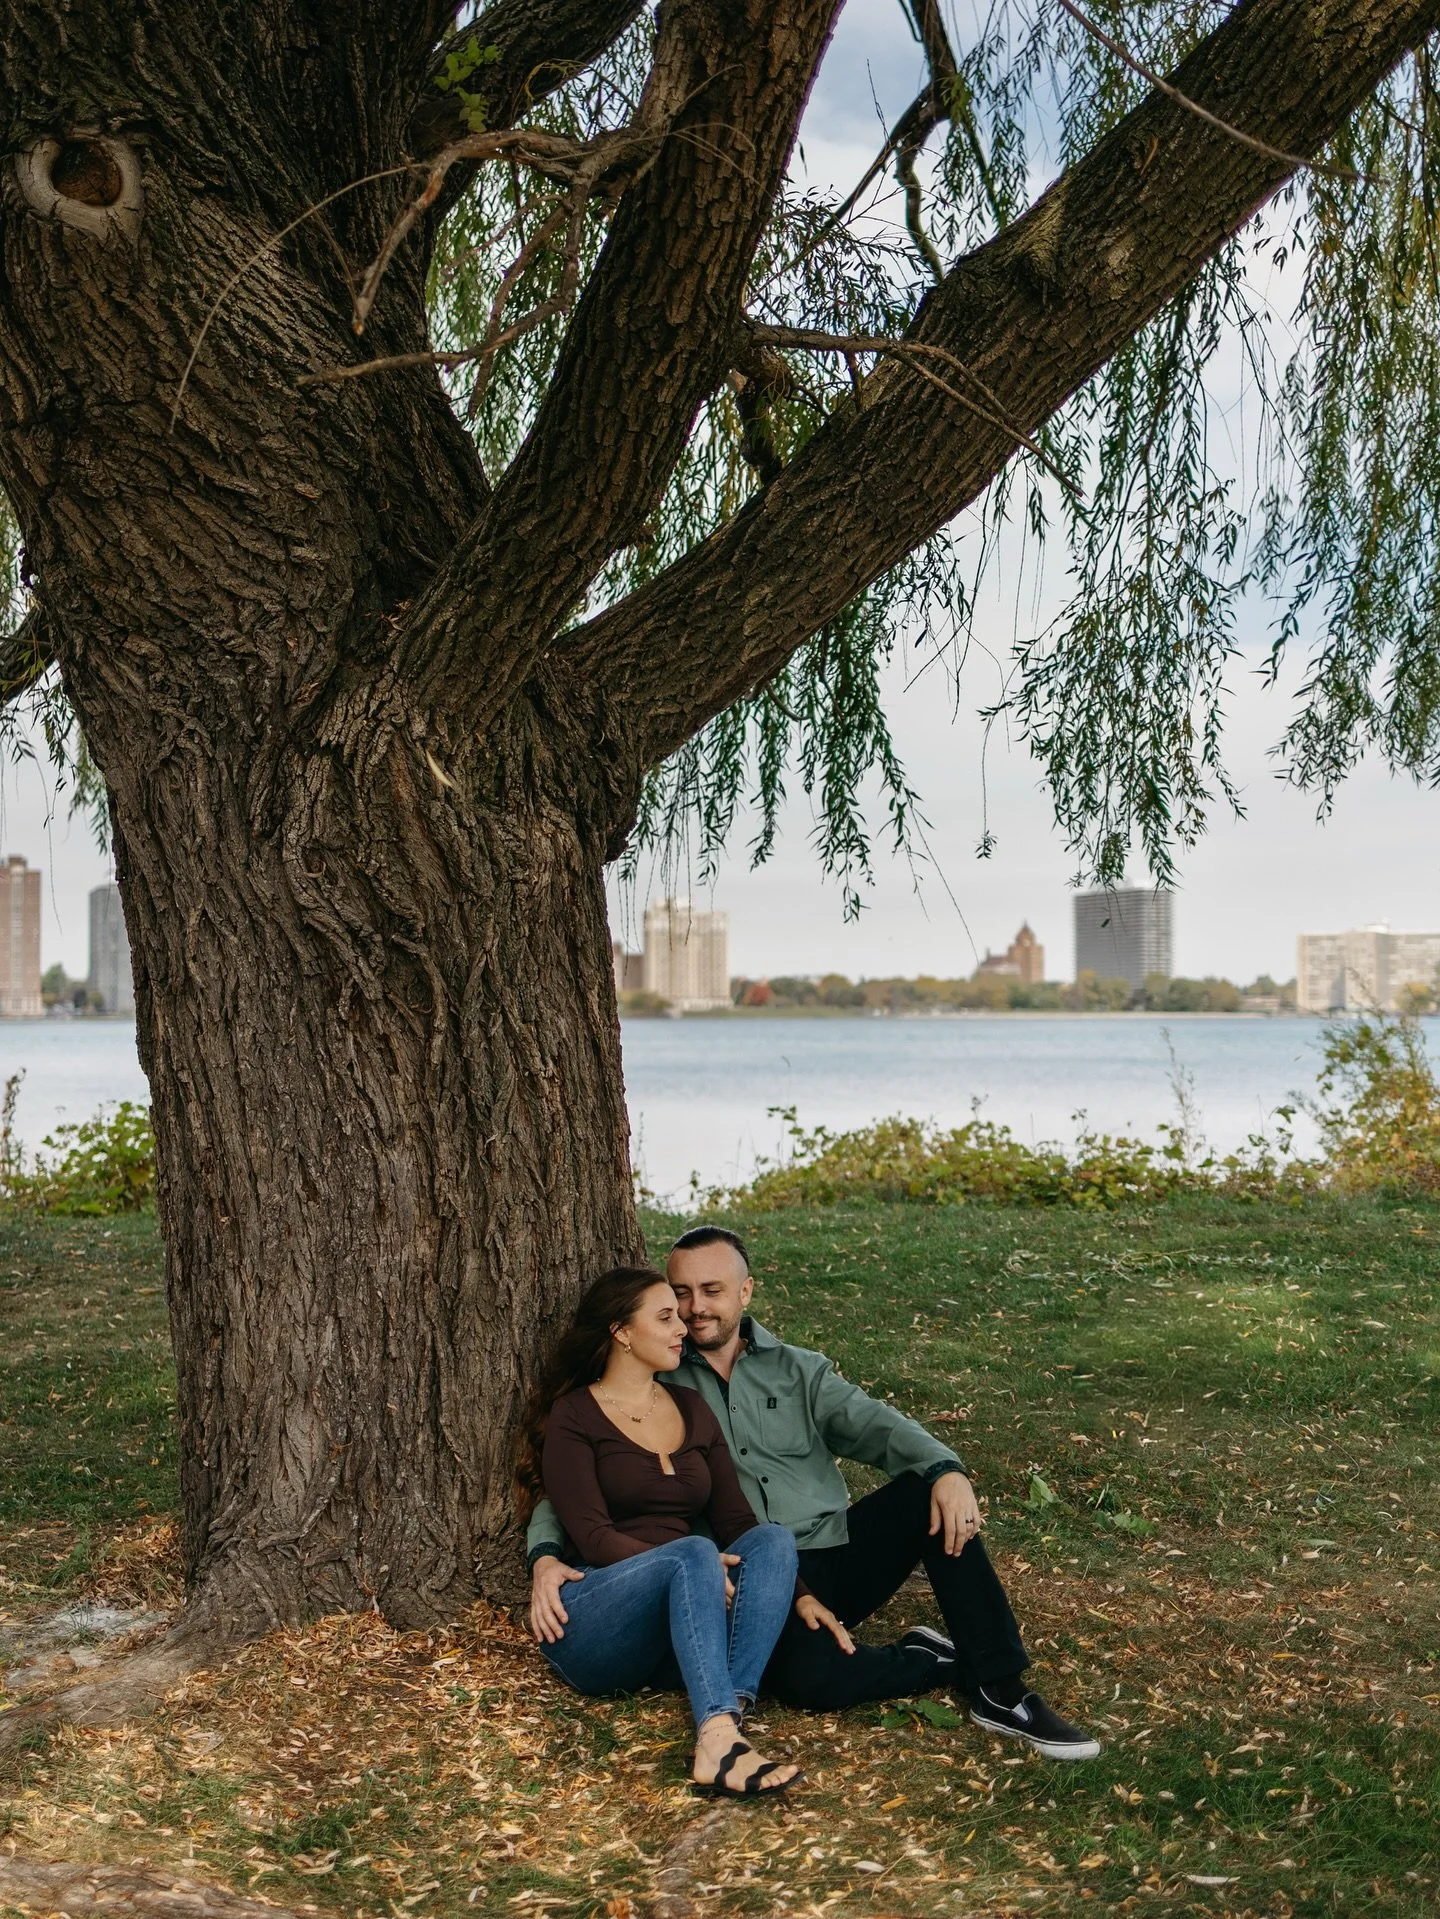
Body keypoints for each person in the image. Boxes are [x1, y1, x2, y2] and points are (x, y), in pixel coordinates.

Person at [527, 1229, 1100, 1762]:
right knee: (811, 1682)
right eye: (681, 1295)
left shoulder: (799, 1371)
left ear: (745, 1291)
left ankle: (999, 1686)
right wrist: (546, 1555)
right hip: (747, 1576)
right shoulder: (660, 1376)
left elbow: (876, 1425)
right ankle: (928, 1657)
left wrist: (945, 1468)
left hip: (832, 1550)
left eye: (712, 1290)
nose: (694, 1308)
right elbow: (583, 1483)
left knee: (926, 1493)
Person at [519, 1263, 838, 1797]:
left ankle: (726, 1718)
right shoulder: (575, 1415)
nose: (681, 1329)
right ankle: (717, 1735)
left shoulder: (691, 1407)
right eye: (665, 1317)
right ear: (621, 1331)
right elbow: (594, 1536)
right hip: (596, 1618)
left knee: (771, 1539)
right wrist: (690, 1563)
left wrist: (800, 1595)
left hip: (678, 1628)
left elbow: (737, 1520)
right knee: (693, 1551)